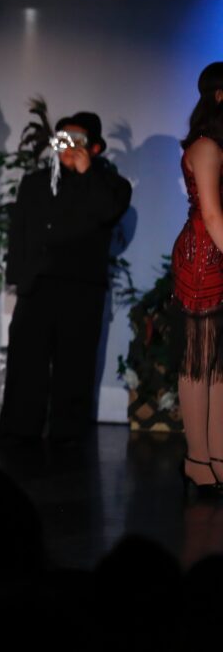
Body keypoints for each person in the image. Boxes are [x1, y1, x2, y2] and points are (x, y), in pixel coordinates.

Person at [0, 111, 132, 445]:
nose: (68, 147)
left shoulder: (112, 185)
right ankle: (18, 434)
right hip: (37, 286)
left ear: (95, 147)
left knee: (75, 367)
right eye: (62, 139)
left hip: (81, 289)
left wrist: (85, 173)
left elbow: (107, 213)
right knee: (26, 363)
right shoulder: (35, 182)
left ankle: (68, 439)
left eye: (77, 141)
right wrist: (19, 278)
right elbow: (20, 233)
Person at [172, 61, 223, 496]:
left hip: (216, 249)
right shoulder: (205, 146)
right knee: (198, 360)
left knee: (219, 365)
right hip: (204, 257)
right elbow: (211, 213)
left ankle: (217, 457)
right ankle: (197, 460)